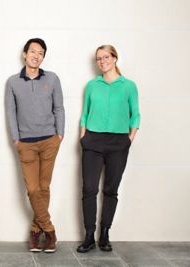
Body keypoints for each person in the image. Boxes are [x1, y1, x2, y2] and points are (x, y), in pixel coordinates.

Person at [77, 45, 140, 253]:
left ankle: (104, 233)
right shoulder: (92, 85)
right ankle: (88, 235)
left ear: (114, 58)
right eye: (98, 59)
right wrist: (83, 136)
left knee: (110, 190)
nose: (101, 61)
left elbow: (136, 115)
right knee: (89, 189)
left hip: (118, 142)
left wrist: (128, 140)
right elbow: (85, 113)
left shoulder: (128, 86)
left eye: (105, 57)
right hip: (92, 141)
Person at [5, 38, 65, 253]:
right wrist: (16, 139)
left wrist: (60, 135)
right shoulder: (13, 82)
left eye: (41, 53)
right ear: (24, 54)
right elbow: (10, 111)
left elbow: (59, 107)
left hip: (50, 140)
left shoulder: (52, 78)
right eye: (33, 51)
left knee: (44, 187)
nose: (36, 55)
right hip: (26, 143)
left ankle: (35, 231)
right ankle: (48, 230)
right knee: (33, 189)